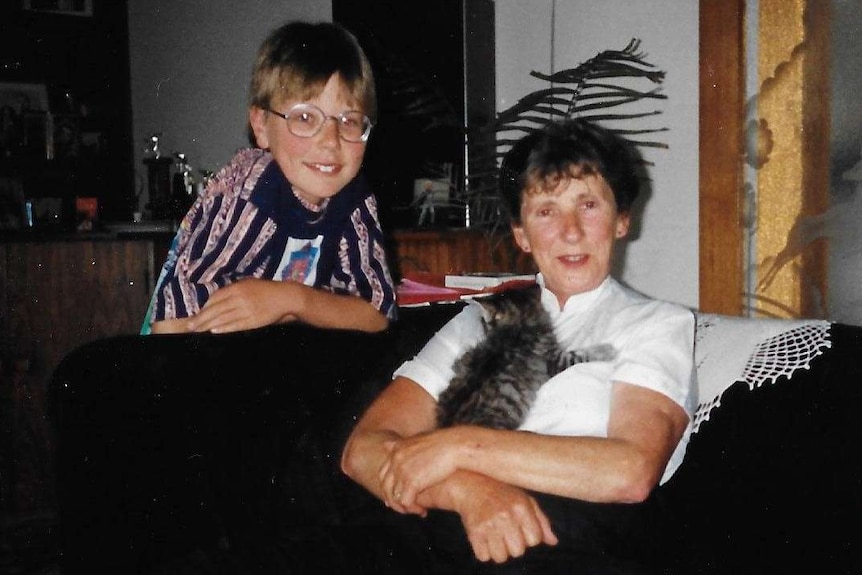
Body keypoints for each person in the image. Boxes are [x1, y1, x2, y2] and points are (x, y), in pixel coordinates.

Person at [340, 117, 696, 573]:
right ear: (521, 235)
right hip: (441, 531)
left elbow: (630, 471)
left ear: (621, 219)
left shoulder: (657, 324)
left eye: (588, 204)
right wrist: (473, 493)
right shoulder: (479, 321)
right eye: (546, 211)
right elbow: (363, 451)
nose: (570, 231)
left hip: (567, 543)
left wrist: (461, 447)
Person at [142, 21, 396, 335]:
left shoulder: (354, 201)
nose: (331, 141)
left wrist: (292, 300)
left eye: (350, 121)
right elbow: (171, 319)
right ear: (261, 126)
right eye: (305, 117)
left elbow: (376, 314)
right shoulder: (246, 193)